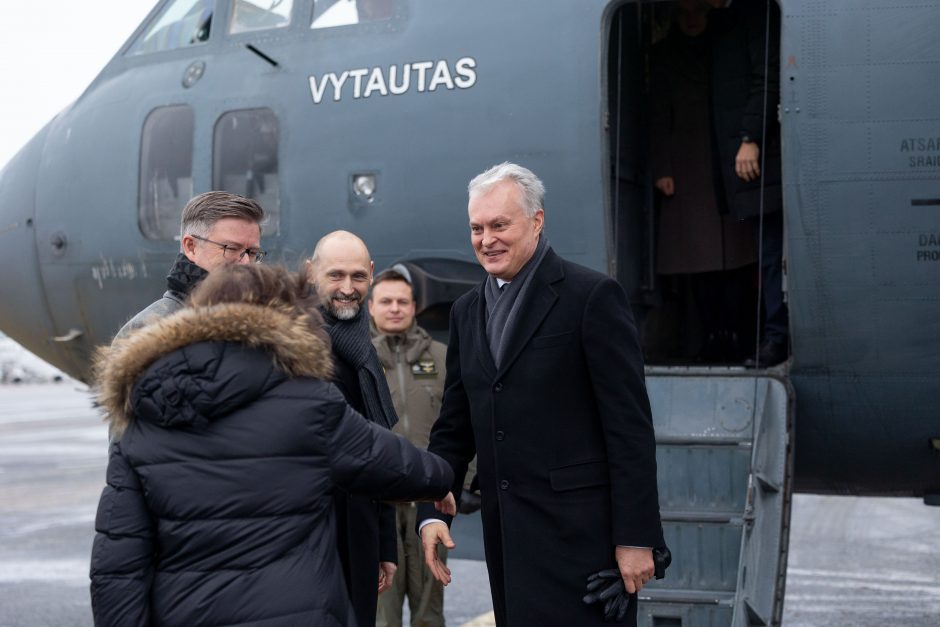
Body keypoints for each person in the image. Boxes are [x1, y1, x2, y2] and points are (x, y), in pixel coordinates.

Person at [89, 264, 454, 626]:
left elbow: (117, 564)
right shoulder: (308, 401)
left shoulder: (144, 411)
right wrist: (440, 480)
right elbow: (385, 460)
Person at [417, 163, 665, 626]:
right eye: (476, 228)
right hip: (509, 541)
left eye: (499, 225)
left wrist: (636, 537)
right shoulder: (468, 312)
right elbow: (454, 427)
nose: (486, 239)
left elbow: (629, 428)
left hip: (583, 547)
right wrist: (433, 513)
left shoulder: (591, 297)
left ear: (537, 221)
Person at [650, 0, 757, 362]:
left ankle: (736, 335)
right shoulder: (664, 55)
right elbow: (657, 111)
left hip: (729, 159)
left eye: (700, 10)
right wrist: (662, 167)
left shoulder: (727, 47)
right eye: (686, 11)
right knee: (697, 260)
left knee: (739, 259)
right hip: (686, 163)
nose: (693, 18)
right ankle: (711, 335)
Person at [306, 231, 401, 627]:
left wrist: (383, 543)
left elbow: (375, 445)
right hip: (312, 541)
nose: (348, 289)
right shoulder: (295, 344)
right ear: (312, 274)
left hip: (358, 531)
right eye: (336, 275)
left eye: (359, 277)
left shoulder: (361, 345)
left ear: (373, 275)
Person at [706, 0, 788, 367]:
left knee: (771, 256)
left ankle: (777, 339)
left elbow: (766, 75)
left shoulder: (754, 14)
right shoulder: (724, 22)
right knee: (766, 254)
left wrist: (750, 136)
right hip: (742, 161)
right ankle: (773, 336)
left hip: (760, 157)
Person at [370, 267, 450, 627]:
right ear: (370, 307)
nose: (395, 308)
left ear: (414, 307)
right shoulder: (358, 361)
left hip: (426, 505)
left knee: (428, 610)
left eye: (402, 301)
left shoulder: (442, 357)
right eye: (385, 301)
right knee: (381, 612)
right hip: (377, 502)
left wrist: (464, 483)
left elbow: (463, 421)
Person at [114, 191, 265, 340]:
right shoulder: (149, 332)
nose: (246, 263)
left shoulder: (262, 323)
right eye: (231, 248)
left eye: (252, 252)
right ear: (191, 246)